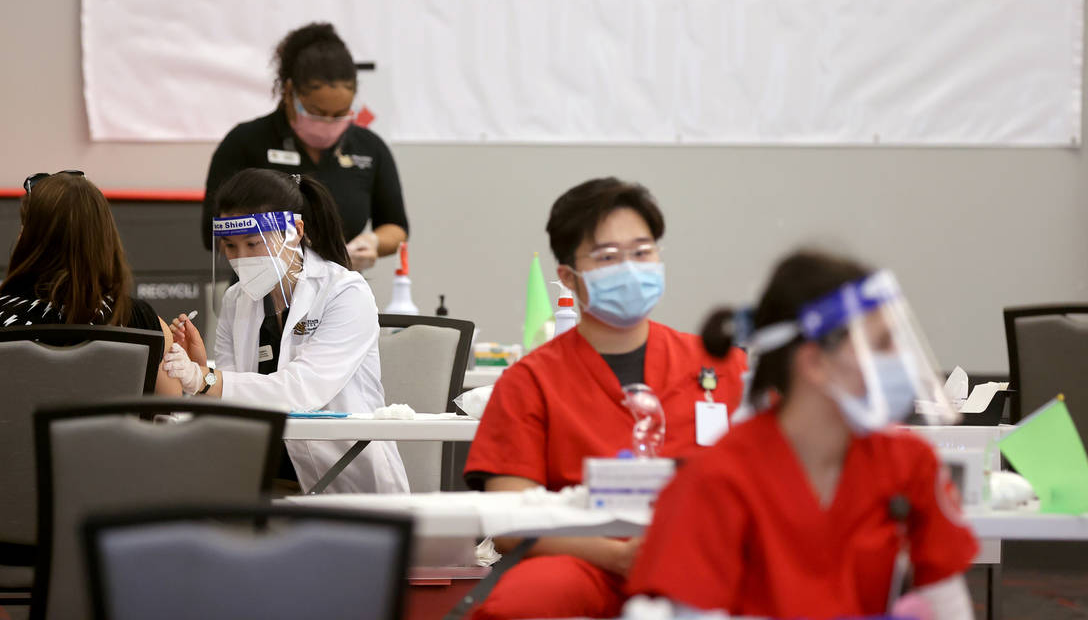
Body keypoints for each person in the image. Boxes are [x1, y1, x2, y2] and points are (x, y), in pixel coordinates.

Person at [628, 249, 978, 619]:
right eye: (881, 345)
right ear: (814, 363)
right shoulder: (716, 481)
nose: (900, 360)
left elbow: (947, 603)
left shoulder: (908, 464)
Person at [462, 177, 748, 620]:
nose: (631, 268)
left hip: (702, 557)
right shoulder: (530, 381)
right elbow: (508, 519)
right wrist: (616, 556)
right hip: (582, 559)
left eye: (642, 251)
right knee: (520, 604)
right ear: (569, 277)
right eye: (608, 257)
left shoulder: (720, 365)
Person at [0, 171, 178, 543]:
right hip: (109, 527)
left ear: (28, 238)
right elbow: (169, 415)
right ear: (106, 239)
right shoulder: (139, 322)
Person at [167, 168, 408, 493]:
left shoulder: (345, 292)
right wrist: (200, 371)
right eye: (230, 246)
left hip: (342, 478)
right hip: (261, 475)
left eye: (253, 243)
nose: (241, 258)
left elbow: (301, 392)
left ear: (295, 231)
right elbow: (235, 398)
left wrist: (206, 379)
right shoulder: (237, 299)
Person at [200, 22, 407, 271]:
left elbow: (396, 226)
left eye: (340, 114)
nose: (329, 122)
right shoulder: (246, 141)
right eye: (318, 113)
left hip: (339, 285)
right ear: (289, 93)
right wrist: (267, 247)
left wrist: (372, 241)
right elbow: (211, 233)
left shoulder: (369, 148)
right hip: (262, 286)